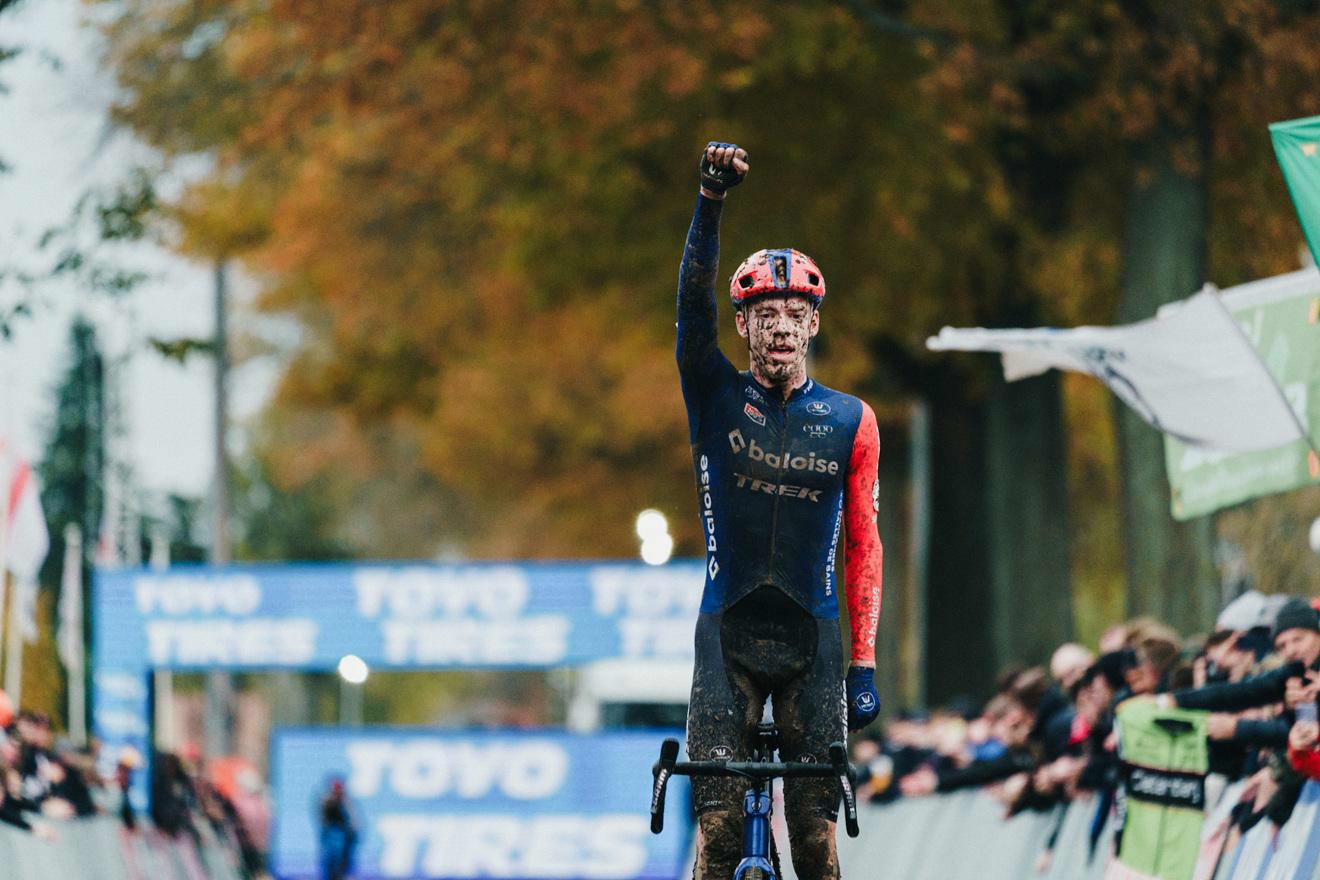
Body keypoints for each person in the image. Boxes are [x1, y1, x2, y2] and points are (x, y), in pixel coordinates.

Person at [676, 142, 884, 880]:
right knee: (721, 833)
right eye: (765, 314)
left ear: (816, 325)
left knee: (817, 842)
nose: (782, 327)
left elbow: (864, 543)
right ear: (744, 328)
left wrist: (862, 661)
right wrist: (710, 203)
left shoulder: (852, 420)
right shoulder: (715, 394)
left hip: (813, 638)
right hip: (727, 633)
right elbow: (692, 310)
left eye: (797, 313)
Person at [319, 777, 357, 880]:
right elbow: (323, 819)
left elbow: (352, 820)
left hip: (344, 836)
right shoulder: (326, 800)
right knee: (330, 858)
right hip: (332, 834)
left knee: (344, 859)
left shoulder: (346, 801)